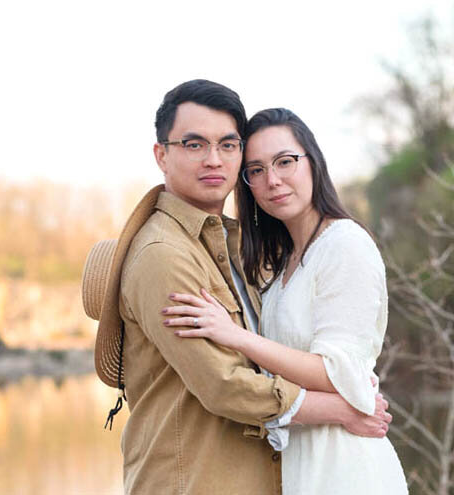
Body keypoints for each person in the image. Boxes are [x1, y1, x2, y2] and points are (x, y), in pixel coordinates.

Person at [81, 81, 393, 495]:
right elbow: (223, 384)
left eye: (228, 146)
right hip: (192, 481)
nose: (214, 159)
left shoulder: (235, 248)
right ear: (162, 154)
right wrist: (341, 408)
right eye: (194, 145)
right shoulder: (165, 253)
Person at [162, 108, 409, 494]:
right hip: (300, 460)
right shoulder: (280, 265)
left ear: (313, 162)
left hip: (344, 464)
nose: (272, 180)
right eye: (256, 170)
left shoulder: (345, 245)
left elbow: (337, 374)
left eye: (285, 162)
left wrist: (236, 336)